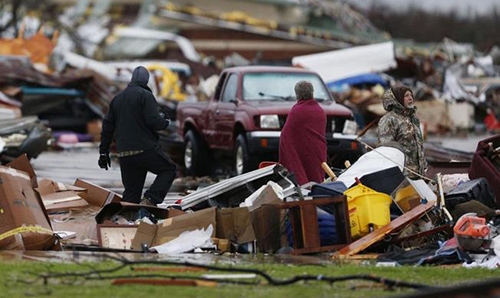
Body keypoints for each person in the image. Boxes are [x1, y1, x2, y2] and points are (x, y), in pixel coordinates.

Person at [98, 66, 177, 206]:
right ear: (146, 81)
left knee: (131, 195)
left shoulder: (117, 99)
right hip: (145, 150)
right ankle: (150, 199)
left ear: (132, 79)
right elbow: (154, 122)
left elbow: (107, 127)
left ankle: (129, 220)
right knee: (168, 169)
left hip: (125, 154)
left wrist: (104, 153)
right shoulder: (146, 96)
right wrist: (165, 121)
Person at [279, 80, 327, 185]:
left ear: (297, 94)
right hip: (317, 151)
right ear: (312, 92)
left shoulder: (296, 111)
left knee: (303, 180)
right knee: (316, 180)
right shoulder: (320, 110)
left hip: (301, 152)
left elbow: (286, 134)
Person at [377, 85, 426, 179]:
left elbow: (419, 145)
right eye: (406, 95)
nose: (410, 98)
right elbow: (385, 148)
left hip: (418, 174)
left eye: (411, 95)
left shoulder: (414, 118)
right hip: (402, 175)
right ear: (397, 99)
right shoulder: (389, 120)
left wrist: (423, 167)